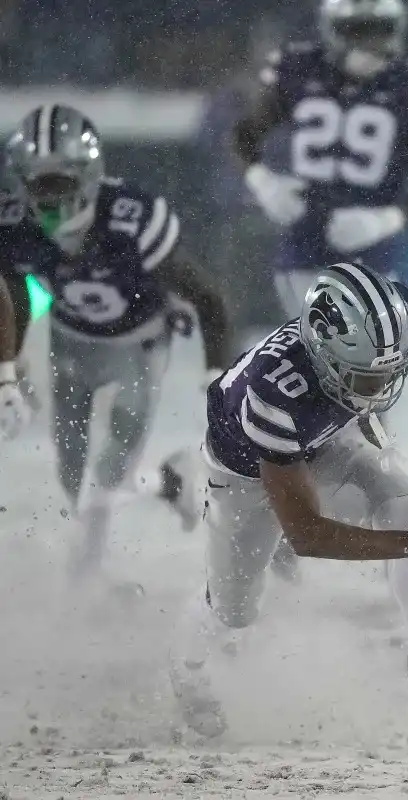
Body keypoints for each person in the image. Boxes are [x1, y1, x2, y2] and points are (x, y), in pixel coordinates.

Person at [168, 262, 408, 738]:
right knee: (233, 610)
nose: (380, 387)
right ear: (323, 357)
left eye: (388, 372)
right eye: (364, 378)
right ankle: (185, 669)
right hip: (247, 472)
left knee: (403, 507)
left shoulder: (402, 327)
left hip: (324, 438)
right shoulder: (274, 393)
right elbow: (307, 534)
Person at [0, 104, 230, 583]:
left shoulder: (131, 217)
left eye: (58, 182)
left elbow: (208, 298)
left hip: (137, 344)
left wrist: (217, 381)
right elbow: (16, 291)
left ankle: (88, 571)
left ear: (88, 175)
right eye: (36, 183)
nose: (46, 197)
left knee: (107, 472)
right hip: (69, 340)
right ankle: (156, 495)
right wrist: (8, 366)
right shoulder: (16, 222)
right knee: (70, 469)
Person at [232, 0, 408, 315]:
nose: (370, 42)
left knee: (375, 345)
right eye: (358, 30)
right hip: (305, 239)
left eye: (380, 30)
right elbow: (243, 135)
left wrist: (388, 219)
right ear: (332, 29)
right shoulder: (299, 68)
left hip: (377, 250)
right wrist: (263, 182)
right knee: (313, 344)